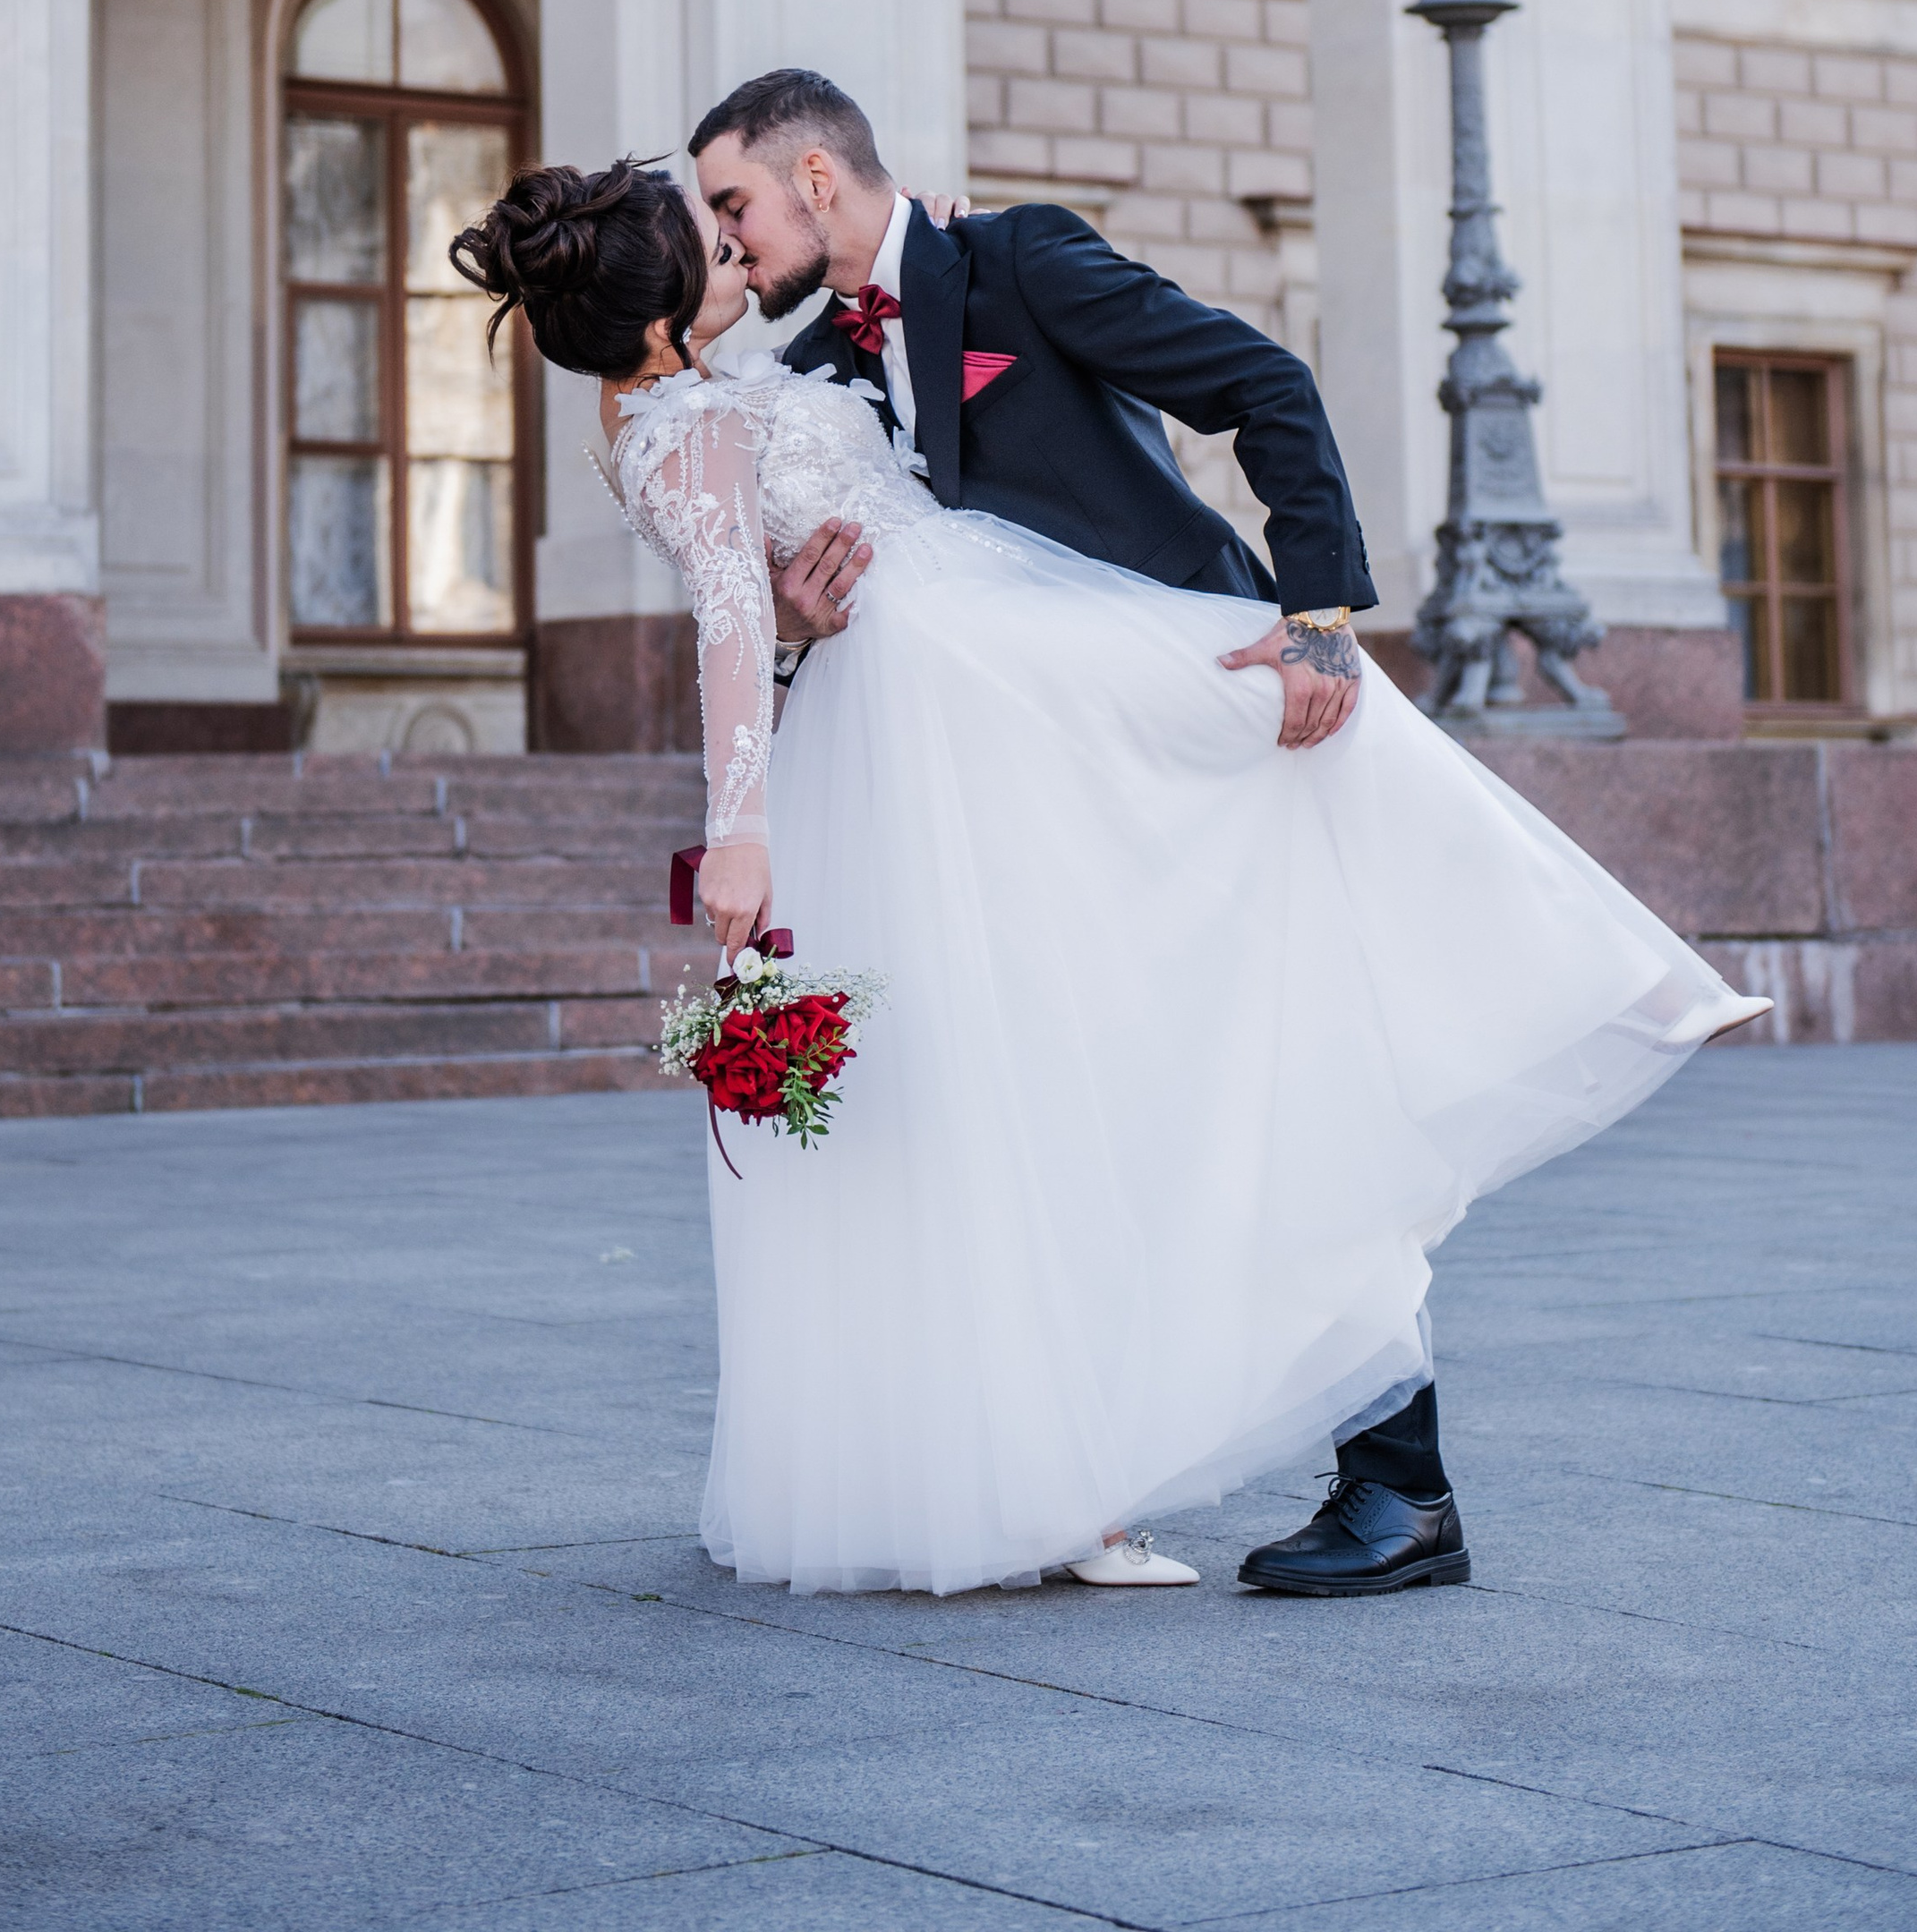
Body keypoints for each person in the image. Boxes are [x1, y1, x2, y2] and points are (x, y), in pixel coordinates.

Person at [452, 128, 1767, 1604]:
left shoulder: (1000, 264)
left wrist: (1324, 607)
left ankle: (1590, 984)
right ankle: (1071, 1472)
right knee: (1070, 1103)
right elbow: (733, 612)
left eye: (734, 202)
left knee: (1292, 837)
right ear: (654, 308)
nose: (732, 239)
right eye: (707, 225)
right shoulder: (756, 373)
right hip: (968, 738)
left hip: (1067, 683)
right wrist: (748, 802)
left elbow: (1263, 383)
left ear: (819, 179)